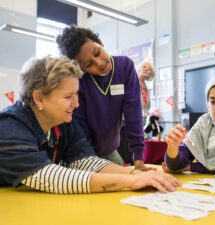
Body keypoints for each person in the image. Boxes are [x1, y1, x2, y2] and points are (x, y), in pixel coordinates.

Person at [0, 56, 181, 194]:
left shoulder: (63, 123)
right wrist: (131, 182)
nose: (76, 104)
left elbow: (85, 161)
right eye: (68, 97)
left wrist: (135, 173)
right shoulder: (10, 127)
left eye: (76, 95)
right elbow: (50, 177)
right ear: (39, 98)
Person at [56, 25, 150, 170]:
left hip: (110, 151)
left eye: (97, 52)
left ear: (100, 42)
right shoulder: (80, 81)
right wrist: (91, 163)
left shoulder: (125, 67)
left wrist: (138, 159)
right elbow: (81, 129)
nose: (99, 63)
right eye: (89, 64)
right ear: (81, 69)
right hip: (84, 154)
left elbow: (133, 113)